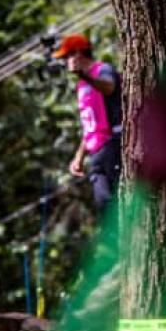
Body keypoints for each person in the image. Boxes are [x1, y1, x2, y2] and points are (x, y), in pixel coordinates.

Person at [54, 34, 122, 212]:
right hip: (96, 152)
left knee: (120, 200)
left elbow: (109, 87)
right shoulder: (81, 86)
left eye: (67, 56)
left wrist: (85, 76)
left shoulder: (103, 70)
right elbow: (90, 123)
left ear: (78, 54)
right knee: (103, 204)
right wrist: (79, 156)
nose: (66, 62)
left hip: (113, 144)